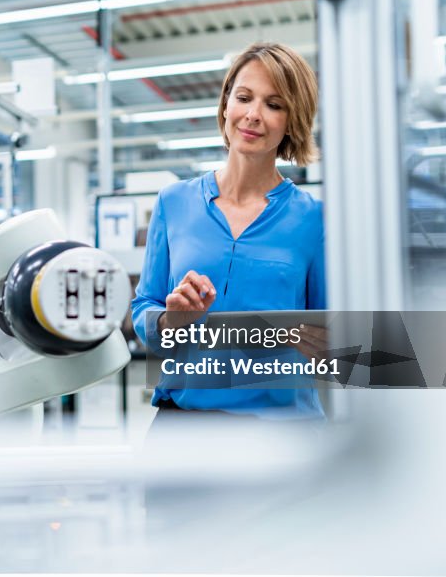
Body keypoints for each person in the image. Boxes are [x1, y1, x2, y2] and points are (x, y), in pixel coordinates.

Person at [131, 42, 326, 419]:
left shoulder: (314, 220)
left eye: (274, 104)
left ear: (292, 121)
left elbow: (333, 333)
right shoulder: (174, 203)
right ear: (225, 106)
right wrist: (171, 321)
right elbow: (145, 307)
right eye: (244, 97)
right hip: (184, 424)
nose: (253, 115)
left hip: (280, 429)